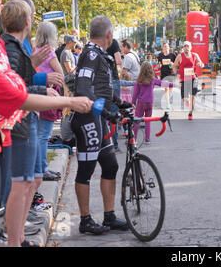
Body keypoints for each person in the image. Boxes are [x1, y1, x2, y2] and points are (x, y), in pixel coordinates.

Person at [0, 0, 66, 247]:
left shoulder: (15, 45)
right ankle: (13, 238)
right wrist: (41, 82)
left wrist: (39, 82)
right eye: (33, 15)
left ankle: (17, 234)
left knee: (28, 180)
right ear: (27, 22)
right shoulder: (11, 47)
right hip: (19, 120)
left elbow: (17, 81)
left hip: (24, 118)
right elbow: (14, 86)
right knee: (21, 182)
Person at [71, 16, 130, 235]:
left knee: (111, 165)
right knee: (86, 170)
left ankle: (109, 216)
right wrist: (107, 112)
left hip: (98, 119)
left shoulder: (98, 53)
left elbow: (101, 87)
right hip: (88, 119)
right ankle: (85, 220)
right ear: (109, 35)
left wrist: (118, 101)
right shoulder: (91, 54)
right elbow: (84, 90)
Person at [33, 22, 64, 181]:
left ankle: (41, 167)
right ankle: (42, 168)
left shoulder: (35, 50)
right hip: (48, 94)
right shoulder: (49, 52)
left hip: (36, 94)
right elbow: (60, 73)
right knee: (44, 135)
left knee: (39, 134)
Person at [132, 62, 173, 144]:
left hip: (141, 103)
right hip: (149, 103)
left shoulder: (139, 80)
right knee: (148, 121)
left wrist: (133, 103)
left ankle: (133, 139)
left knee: (137, 121)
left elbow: (135, 93)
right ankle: (147, 139)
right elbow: (163, 83)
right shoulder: (153, 80)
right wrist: (174, 84)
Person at [172, 41, 204, 120]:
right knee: (184, 98)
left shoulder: (195, 55)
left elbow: (202, 64)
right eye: (185, 46)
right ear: (183, 48)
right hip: (184, 79)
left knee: (193, 96)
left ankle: (190, 113)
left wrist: (200, 64)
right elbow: (174, 66)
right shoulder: (180, 56)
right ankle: (186, 100)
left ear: (191, 47)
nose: (187, 48)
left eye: (188, 46)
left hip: (193, 78)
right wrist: (176, 74)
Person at [157, 43, 176, 109]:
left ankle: (170, 102)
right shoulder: (160, 55)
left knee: (170, 89)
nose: (166, 48)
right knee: (166, 88)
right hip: (164, 73)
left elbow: (175, 65)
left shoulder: (172, 55)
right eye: (164, 46)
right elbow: (159, 64)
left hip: (171, 73)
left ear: (169, 48)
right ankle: (168, 104)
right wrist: (158, 66)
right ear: (163, 48)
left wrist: (172, 64)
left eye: (167, 46)